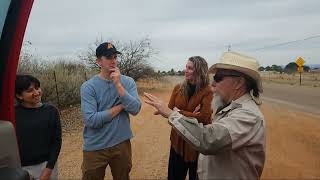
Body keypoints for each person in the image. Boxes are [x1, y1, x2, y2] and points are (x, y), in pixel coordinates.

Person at [144, 51, 266, 180]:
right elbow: (198, 117)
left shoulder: (248, 116)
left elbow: (207, 131)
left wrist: (174, 113)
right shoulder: (229, 107)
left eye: (218, 78)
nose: (213, 84)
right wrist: (189, 114)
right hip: (178, 142)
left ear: (239, 83)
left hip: (194, 147)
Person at [80, 42, 141, 180]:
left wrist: (118, 85)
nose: (113, 61)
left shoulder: (128, 82)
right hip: (95, 147)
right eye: (108, 57)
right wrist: (121, 106)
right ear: (98, 61)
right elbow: (91, 120)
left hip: (121, 143)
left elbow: (135, 109)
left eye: (115, 57)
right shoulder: (88, 87)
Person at [167, 56, 212, 180]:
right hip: (177, 142)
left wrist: (179, 112)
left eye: (190, 68)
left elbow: (203, 117)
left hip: (197, 145)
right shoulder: (178, 88)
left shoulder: (208, 91)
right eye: (186, 67)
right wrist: (192, 114)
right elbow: (169, 111)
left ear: (199, 71)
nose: (186, 70)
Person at [15, 74, 62, 180]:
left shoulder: (51, 111)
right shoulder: (12, 116)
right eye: (30, 90)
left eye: (37, 88)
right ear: (19, 95)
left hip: (48, 167)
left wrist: (49, 169)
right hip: (22, 170)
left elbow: (57, 141)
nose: (36, 93)